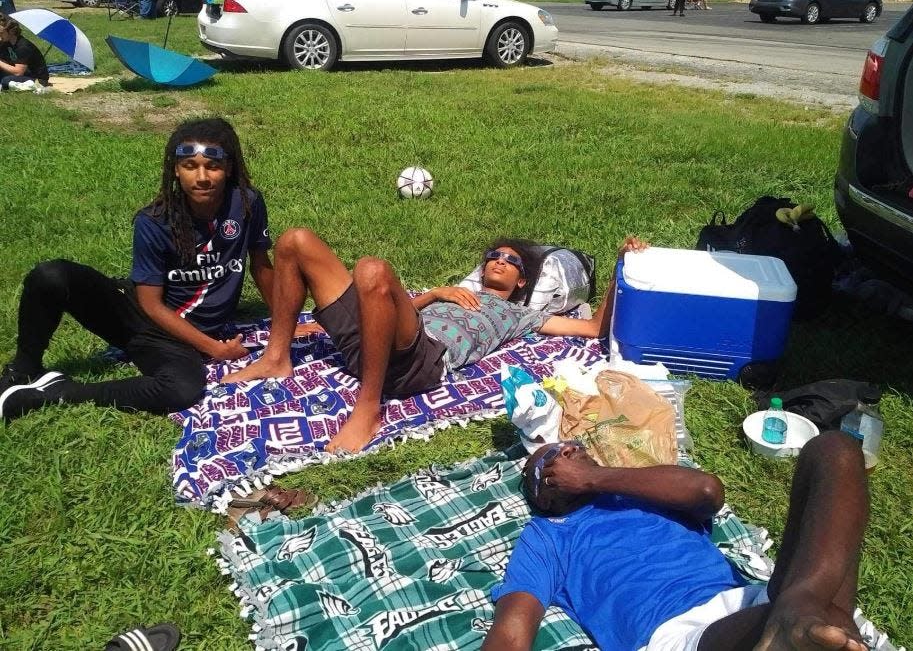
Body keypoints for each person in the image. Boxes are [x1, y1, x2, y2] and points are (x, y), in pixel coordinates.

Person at [222, 234, 648, 453]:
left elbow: (593, 329)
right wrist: (433, 295)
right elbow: (388, 304)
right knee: (295, 241)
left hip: (416, 362)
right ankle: (276, 358)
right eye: (493, 257)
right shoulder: (448, 291)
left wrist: (620, 265)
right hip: (375, 344)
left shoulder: (521, 315)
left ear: (522, 281)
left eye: (512, 261)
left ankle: (368, 408)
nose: (499, 260)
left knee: (373, 269)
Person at [483, 431, 871, 651]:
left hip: (751, 602)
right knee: (827, 624)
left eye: (570, 448)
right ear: (542, 498)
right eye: (549, 461)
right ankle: (799, 617)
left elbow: (706, 491)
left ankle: (799, 610)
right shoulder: (547, 535)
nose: (565, 450)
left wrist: (594, 479)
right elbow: (511, 631)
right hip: (679, 635)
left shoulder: (642, 488)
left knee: (834, 449)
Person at [0, 118, 274, 421]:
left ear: (229, 168)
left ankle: (57, 391)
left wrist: (283, 321)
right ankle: (23, 369)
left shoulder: (247, 205)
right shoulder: (155, 220)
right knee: (51, 275)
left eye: (212, 166)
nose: (202, 177)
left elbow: (261, 266)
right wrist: (214, 348)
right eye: (189, 166)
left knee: (182, 390)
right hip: (138, 312)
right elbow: (150, 304)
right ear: (175, 170)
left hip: (173, 339)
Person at [0, 14, 48, 91]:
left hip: (36, 78)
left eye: (1, 33)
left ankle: (33, 86)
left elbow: (18, 72)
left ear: (12, 31)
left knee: (5, 80)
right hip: (19, 75)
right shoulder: (6, 42)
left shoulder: (23, 46)